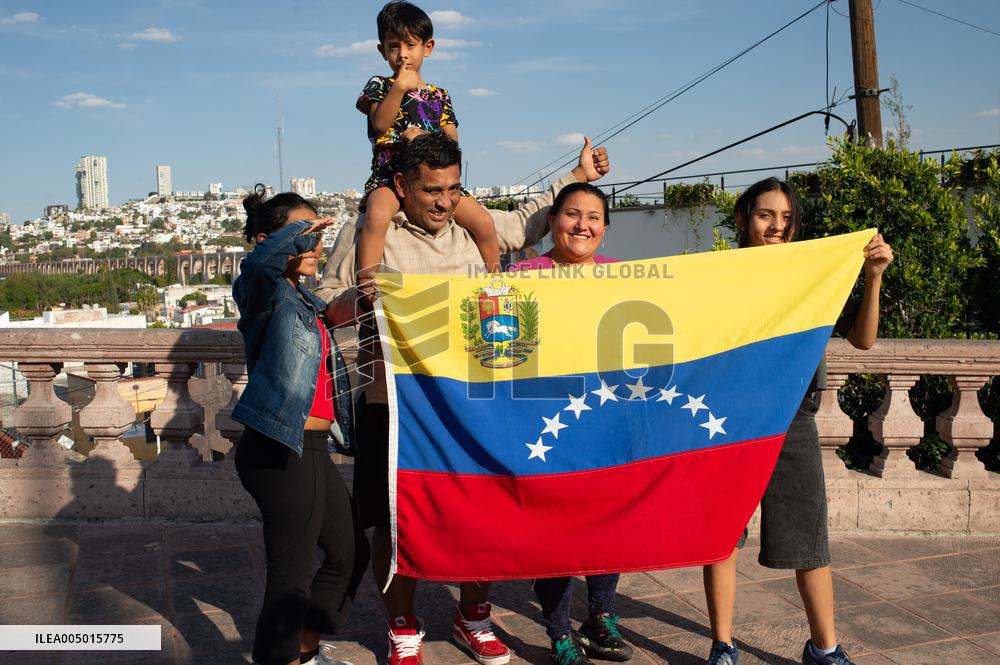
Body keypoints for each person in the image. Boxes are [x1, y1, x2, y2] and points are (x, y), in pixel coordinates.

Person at [316, 131, 610, 665]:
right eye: (432, 190)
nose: (445, 202)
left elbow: (526, 222)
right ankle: (402, 625)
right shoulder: (365, 233)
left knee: (485, 506)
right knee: (395, 516)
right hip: (395, 404)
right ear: (401, 186)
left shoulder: (471, 228)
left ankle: (473, 615)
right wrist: (360, 298)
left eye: (454, 189)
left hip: (477, 398)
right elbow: (326, 306)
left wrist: (578, 178)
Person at [701, 178, 893, 665]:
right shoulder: (718, 275)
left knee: (808, 537)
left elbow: (864, 340)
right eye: (767, 215)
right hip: (730, 422)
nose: (777, 227)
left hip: (793, 419)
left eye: (787, 219)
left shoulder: (812, 273)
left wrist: (871, 276)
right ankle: (723, 645)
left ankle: (824, 647)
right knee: (722, 535)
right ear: (743, 219)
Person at [231, 186, 370, 665]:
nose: (313, 246)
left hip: (309, 446)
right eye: (300, 235)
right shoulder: (262, 292)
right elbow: (257, 265)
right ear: (273, 239)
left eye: (314, 235)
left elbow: (336, 313)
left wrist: (362, 296)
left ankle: (305, 653)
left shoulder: (303, 301)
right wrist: (293, 236)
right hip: (279, 447)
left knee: (350, 555)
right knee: (289, 576)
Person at [508, 182, 634, 665]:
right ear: (553, 220)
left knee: (609, 524)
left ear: (604, 227)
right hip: (545, 424)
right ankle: (559, 630)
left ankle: (601, 618)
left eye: (593, 217)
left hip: (609, 422)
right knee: (554, 531)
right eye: (571, 214)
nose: (582, 225)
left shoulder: (627, 277)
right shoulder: (523, 275)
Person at [355, 0, 500, 295]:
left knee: (483, 221)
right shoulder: (379, 86)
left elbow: (453, 143)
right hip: (389, 175)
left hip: (435, 180)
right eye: (394, 46)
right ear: (382, 50)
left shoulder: (439, 95)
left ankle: (496, 281)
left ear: (428, 47)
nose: (403, 54)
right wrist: (399, 88)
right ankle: (366, 286)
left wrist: (423, 140)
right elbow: (381, 124)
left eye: (410, 45)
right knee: (378, 215)